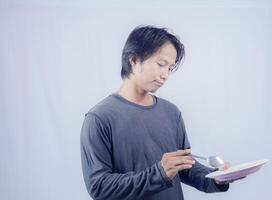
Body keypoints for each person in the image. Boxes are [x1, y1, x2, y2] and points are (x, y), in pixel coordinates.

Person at [80, 25, 238, 200]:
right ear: (133, 60)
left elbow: (185, 167)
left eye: (170, 68)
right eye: (161, 64)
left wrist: (217, 178)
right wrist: (159, 173)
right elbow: (99, 187)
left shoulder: (171, 112)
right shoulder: (99, 118)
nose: (165, 75)